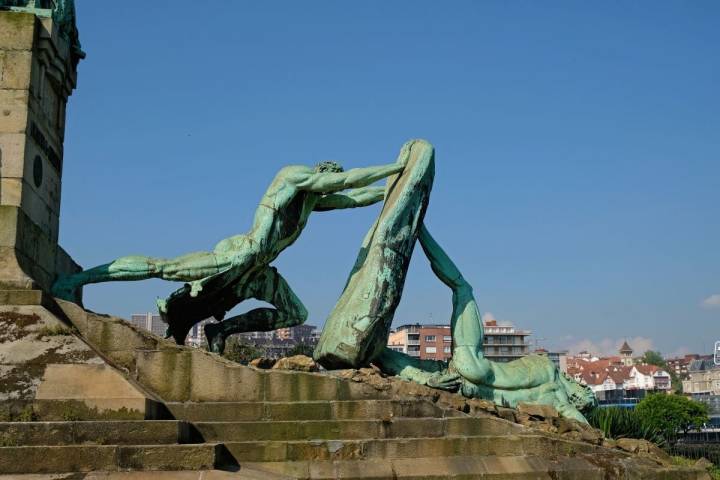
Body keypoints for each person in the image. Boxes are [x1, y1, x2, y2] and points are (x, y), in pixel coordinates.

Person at [53, 147, 413, 351]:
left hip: (257, 272)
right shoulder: (292, 176)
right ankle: (81, 279)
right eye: (326, 178)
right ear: (318, 172)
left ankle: (221, 332)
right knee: (162, 267)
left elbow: (353, 197)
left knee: (295, 313)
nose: (327, 186)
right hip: (240, 254)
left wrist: (400, 188)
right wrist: (397, 167)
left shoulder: (311, 202)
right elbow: (347, 182)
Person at [376, 225, 597, 423]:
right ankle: (374, 352)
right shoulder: (550, 396)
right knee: (385, 356)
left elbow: (574, 412)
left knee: (463, 288)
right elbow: (574, 418)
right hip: (470, 386)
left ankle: (420, 231)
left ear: (578, 389)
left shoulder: (548, 370)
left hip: (475, 366)